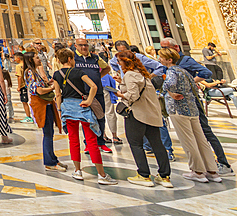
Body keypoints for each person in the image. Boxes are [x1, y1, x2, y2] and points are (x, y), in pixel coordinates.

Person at [160, 37, 232, 175]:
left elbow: (206, 73)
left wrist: (189, 82)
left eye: (166, 48)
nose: (163, 51)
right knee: (195, 136)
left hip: (189, 102)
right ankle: (208, 167)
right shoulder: (169, 65)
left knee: (204, 133)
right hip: (182, 104)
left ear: (176, 48)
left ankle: (222, 163)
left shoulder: (185, 61)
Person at [52, 48, 116, 184]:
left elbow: (58, 94)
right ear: (70, 59)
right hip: (82, 107)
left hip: (67, 108)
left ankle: (77, 171)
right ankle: (101, 174)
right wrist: (88, 100)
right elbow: (93, 86)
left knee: (73, 140)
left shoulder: (57, 74)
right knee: (91, 140)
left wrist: (59, 110)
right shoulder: (79, 72)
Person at [115, 50, 171, 188]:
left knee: (136, 144)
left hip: (137, 114)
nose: (118, 64)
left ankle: (144, 175)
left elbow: (132, 95)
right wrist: (122, 83)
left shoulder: (129, 74)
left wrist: (120, 95)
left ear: (124, 62)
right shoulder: (143, 74)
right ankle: (165, 176)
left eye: (119, 61)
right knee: (157, 144)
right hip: (151, 114)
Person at [24, 50, 64, 172]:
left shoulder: (35, 72)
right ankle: (49, 162)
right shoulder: (29, 72)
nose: (39, 59)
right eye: (36, 57)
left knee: (50, 132)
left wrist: (49, 83)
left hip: (46, 104)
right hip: (41, 104)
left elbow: (41, 85)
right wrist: (52, 88)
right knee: (47, 133)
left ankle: (53, 158)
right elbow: (39, 91)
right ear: (31, 60)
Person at [73, 38, 111, 153]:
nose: (84, 47)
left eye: (85, 45)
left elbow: (106, 68)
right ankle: (89, 143)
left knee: (100, 116)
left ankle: (101, 142)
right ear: (76, 46)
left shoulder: (95, 57)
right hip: (83, 93)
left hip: (97, 92)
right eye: (81, 45)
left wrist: (97, 77)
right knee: (86, 118)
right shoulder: (74, 58)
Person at [12, 52, 33, 122]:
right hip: (29, 85)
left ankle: (28, 116)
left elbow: (19, 77)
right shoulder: (26, 65)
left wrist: (19, 86)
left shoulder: (18, 66)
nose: (14, 60)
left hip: (23, 86)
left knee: (24, 102)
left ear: (18, 58)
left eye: (15, 58)